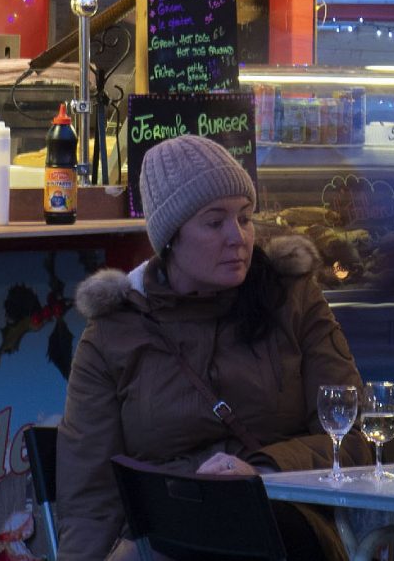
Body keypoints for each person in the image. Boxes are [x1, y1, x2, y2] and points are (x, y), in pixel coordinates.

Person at [55, 135, 364, 561]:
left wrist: (262, 470)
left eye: (245, 218)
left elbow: (352, 436)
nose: (238, 237)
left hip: (284, 527)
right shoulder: (115, 332)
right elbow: (90, 495)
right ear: (171, 239)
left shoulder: (292, 300)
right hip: (167, 537)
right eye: (214, 222)